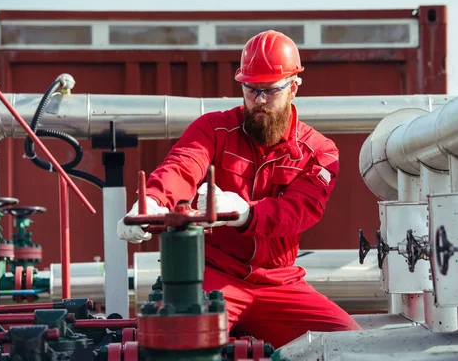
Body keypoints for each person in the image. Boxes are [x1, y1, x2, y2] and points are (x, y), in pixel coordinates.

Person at [117, 30, 361, 348]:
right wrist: (151, 200)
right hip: (214, 276)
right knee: (178, 346)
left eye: (269, 91)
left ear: (294, 88)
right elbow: (181, 167)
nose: (258, 102)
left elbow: (300, 210)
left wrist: (247, 213)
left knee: (350, 346)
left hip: (278, 283)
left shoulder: (319, 152)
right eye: (250, 90)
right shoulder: (213, 129)